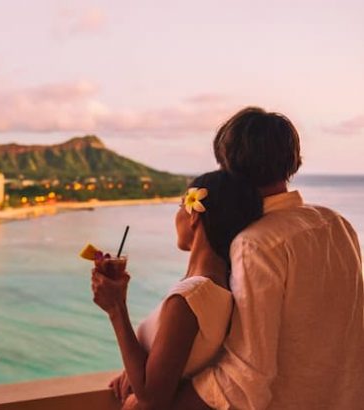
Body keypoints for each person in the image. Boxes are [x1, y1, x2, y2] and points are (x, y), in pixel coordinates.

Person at [109, 107, 364, 409]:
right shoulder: (335, 224)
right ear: (292, 161)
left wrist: (157, 401)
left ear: (227, 166)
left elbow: (247, 376)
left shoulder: (255, 244)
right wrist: (153, 364)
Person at [91, 169, 264, 409]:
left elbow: (152, 398)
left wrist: (116, 309)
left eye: (181, 205)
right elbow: (180, 364)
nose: (177, 215)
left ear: (194, 216)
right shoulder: (221, 287)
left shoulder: (190, 298)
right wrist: (138, 366)